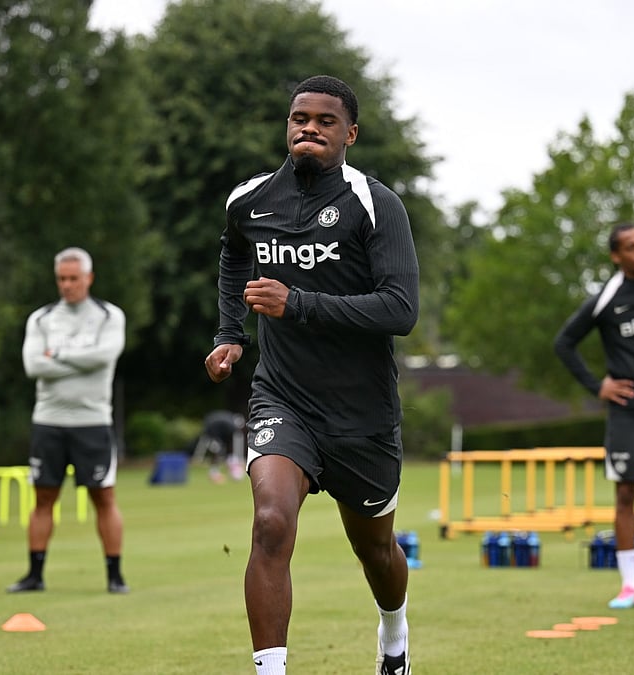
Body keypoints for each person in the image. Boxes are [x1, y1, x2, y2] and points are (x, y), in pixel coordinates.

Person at [204, 75, 418, 675]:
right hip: (283, 397)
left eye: (326, 121)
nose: (309, 128)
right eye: (300, 117)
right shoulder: (249, 199)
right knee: (271, 522)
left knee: (375, 549)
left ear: (350, 133)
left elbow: (400, 310)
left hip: (362, 413)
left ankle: (394, 632)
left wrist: (297, 302)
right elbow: (232, 257)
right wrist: (229, 335)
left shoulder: (375, 204)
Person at [553, 223, 634, 610]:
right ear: (616, 256)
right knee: (625, 495)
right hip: (628, 414)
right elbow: (564, 343)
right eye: (630, 247)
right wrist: (598, 387)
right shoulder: (607, 298)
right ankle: (630, 585)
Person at [7, 246, 130, 595]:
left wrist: (58, 354)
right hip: (48, 420)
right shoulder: (41, 319)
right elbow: (34, 366)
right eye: (61, 279)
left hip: (93, 422)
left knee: (103, 498)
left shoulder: (109, 316)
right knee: (43, 499)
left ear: (88, 278)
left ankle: (115, 576)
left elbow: (105, 356)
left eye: (74, 278)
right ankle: (34, 575)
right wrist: (82, 359)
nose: (67, 285)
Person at [191, 410, 246, 483]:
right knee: (218, 451)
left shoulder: (228, 421)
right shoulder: (231, 427)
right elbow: (226, 441)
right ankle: (214, 472)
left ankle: (216, 471)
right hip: (211, 433)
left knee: (219, 450)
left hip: (211, 430)